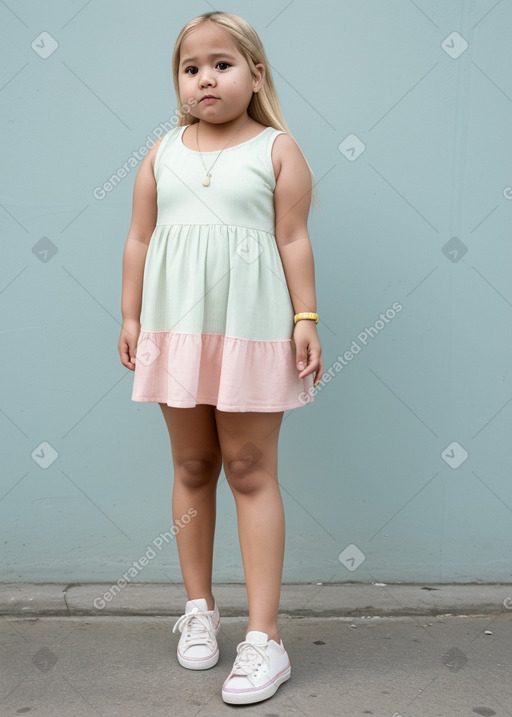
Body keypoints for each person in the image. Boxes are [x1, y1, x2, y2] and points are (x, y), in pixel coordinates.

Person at [118, 10, 323, 705]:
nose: (206, 77)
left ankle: (264, 637)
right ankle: (199, 608)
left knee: (249, 466)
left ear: (256, 74)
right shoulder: (160, 152)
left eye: (223, 63)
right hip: (177, 331)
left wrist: (306, 317)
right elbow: (140, 238)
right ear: (179, 82)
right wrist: (130, 315)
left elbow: (292, 238)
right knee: (193, 463)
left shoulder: (276, 150)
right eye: (191, 67)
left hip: (252, 330)